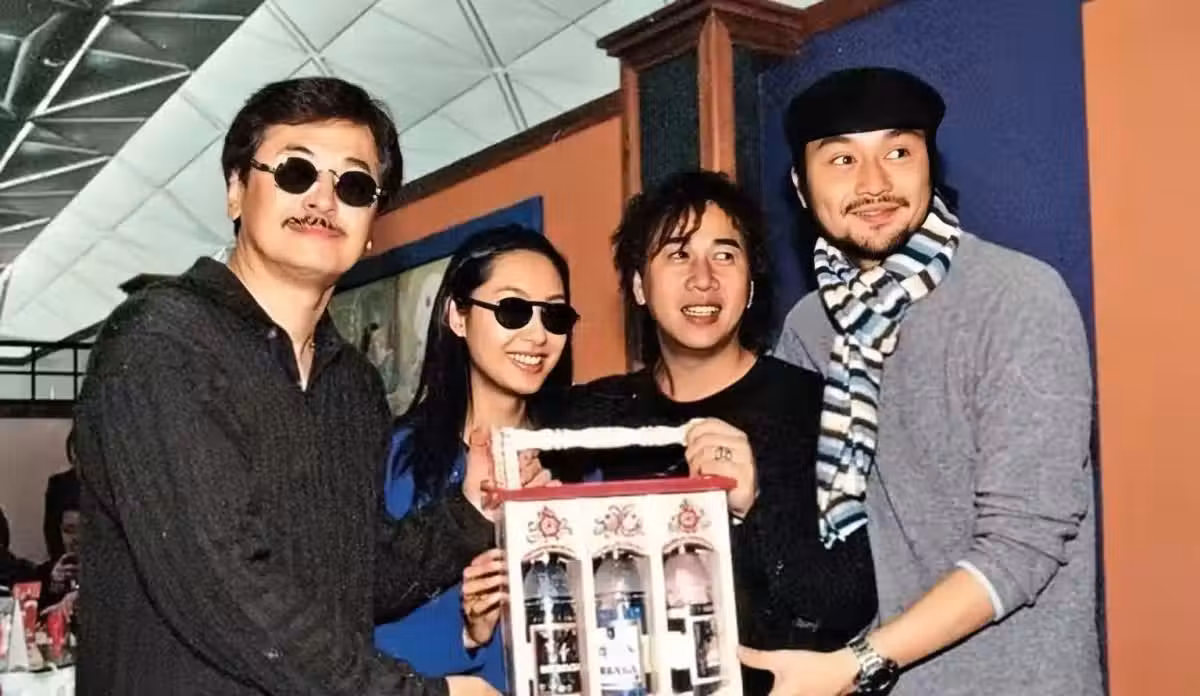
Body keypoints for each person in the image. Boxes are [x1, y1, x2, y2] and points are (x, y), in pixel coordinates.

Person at [70, 77, 545, 696]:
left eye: (354, 185)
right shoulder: (162, 342)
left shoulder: (353, 386)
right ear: (236, 191)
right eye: (296, 172)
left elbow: (359, 579)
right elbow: (225, 588)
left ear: (371, 225)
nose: (322, 198)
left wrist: (470, 510)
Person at [745, 66, 1101, 695]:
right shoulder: (809, 328)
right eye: (842, 160)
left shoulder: (1017, 297)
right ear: (801, 187)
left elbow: (1024, 541)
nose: (874, 183)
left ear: (929, 165)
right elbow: (803, 531)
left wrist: (853, 665)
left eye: (899, 153)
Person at [539, 170, 879, 696]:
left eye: (724, 255)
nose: (703, 278)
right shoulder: (591, 417)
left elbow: (846, 604)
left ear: (751, 285)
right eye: (677, 254)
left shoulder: (815, 409)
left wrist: (756, 506)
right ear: (639, 286)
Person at [375, 225, 577, 691]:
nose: (537, 335)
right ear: (458, 316)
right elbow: (359, 643)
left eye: (555, 316)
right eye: (512, 310)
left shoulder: (577, 461)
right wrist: (466, 633)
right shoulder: (399, 460)